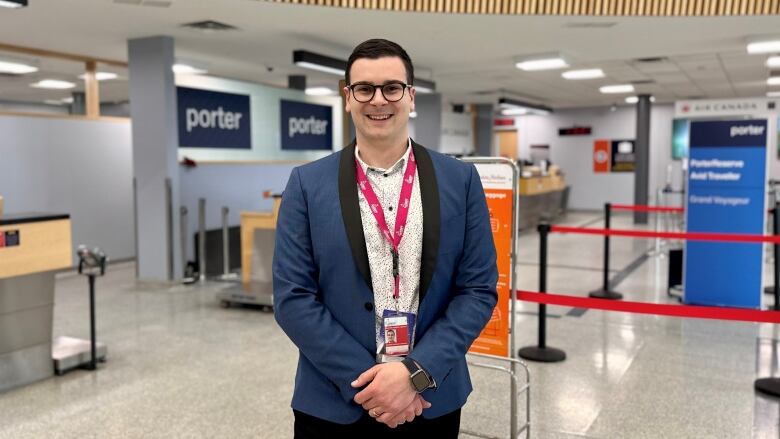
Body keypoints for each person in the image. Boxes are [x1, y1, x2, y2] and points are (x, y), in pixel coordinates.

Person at [273, 38, 497, 438]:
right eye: (364, 89)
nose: (379, 100)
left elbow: (478, 289)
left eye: (392, 87)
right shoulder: (306, 185)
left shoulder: (460, 180)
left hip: (430, 398)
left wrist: (413, 373)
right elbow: (293, 298)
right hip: (334, 399)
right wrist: (376, 385)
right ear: (348, 97)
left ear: (410, 97)